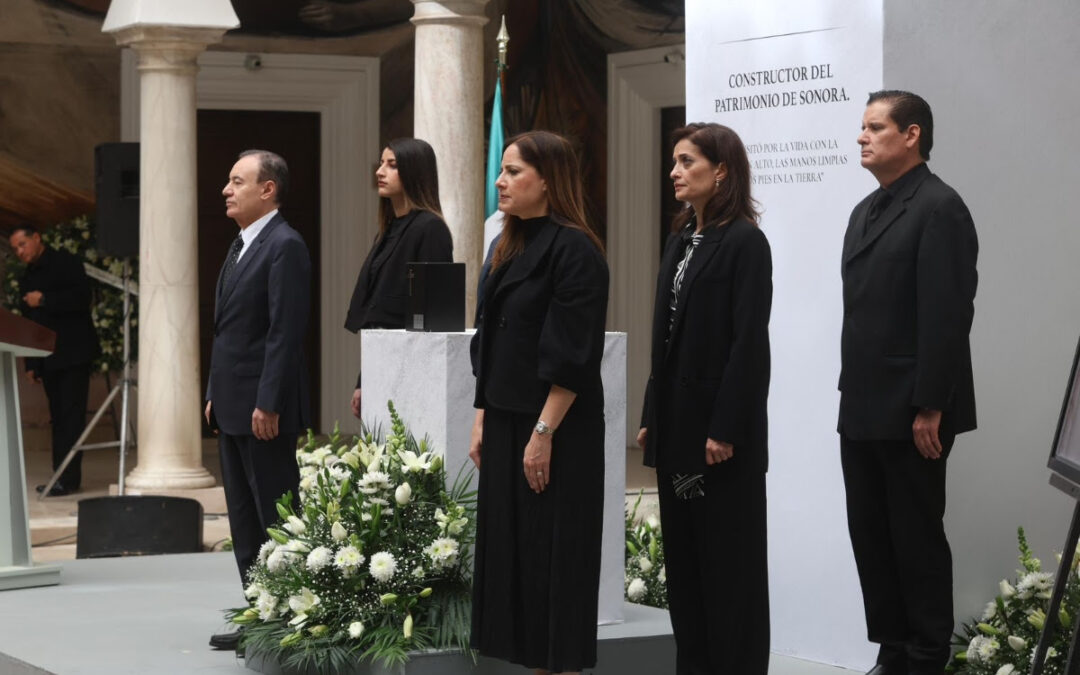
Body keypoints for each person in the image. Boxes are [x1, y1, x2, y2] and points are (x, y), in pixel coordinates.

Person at [839, 90, 978, 675]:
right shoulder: (866, 209)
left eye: (874, 127)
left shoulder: (940, 207)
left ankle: (925, 656)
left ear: (912, 134)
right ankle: (891, 650)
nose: (862, 137)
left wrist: (930, 406)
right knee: (871, 536)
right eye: (862, 128)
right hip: (864, 405)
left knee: (915, 539)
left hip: (914, 411)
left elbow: (947, 316)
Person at [469, 130, 609, 675]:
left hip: (556, 430)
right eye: (502, 171)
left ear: (547, 180)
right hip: (506, 421)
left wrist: (543, 435)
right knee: (516, 563)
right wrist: (483, 414)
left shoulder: (575, 250)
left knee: (555, 564)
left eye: (512, 172)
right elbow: (491, 339)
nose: (500, 182)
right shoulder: (509, 242)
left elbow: (573, 356)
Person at [637, 122, 772, 674]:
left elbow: (749, 344)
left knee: (728, 570)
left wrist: (726, 427)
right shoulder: (678, 240)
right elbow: (663, 337)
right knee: (687, 570)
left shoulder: (745, 241)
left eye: (687, 161)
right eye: (674, 161)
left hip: (719, 440)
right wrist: (652, 415)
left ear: (721, 170)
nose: (675, 172)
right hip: (677, 431)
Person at [205, 149, 312, 651]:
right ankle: (258, 615)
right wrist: (212, 392)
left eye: (236, 181)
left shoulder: (285, 245)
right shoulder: (241, 245)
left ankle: (290, 618)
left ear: (267, 190)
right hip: (231, 406)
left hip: (263, 412)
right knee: (244, 522)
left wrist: (268, 401)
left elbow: (283, 333)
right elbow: (228, 331)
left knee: (274, 516)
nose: (226, 189)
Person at [343, 137, 453, 418]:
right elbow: (376, 319)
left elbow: (433, 317)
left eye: (391, 165)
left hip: (411, 374)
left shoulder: (430, 229)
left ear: (415, 172)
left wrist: (411, 381)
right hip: (382, 364)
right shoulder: (386, 231)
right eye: (381, 163)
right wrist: (362, 381)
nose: (380, 172)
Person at [9, 224, 100, 497]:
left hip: (72, 354)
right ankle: (59, 476)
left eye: (22, 245)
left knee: (71, 417)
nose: (19, 252)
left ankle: (67, 479)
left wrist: (45, 299)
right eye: (15, 249)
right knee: (58, 418)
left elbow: (82, 298)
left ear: (37, 238)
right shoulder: (28, 276)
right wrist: (32, 364)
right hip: (49, 359)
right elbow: (30, 322)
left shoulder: (66, 262)